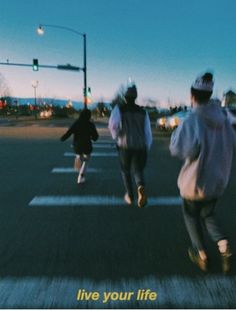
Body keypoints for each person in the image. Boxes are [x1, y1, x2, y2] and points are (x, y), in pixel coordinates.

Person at [169, 72, 236, 273]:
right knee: (208, 214)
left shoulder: (193, 120)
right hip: (217, 182)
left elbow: (179, 150)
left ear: (193, 96)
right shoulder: (225, 119)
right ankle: (223, 246)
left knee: (191, 215)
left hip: (195, 182)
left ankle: (201, 253)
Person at [108, 84, 152, 208]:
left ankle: (130, 195)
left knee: (125, 170)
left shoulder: (119, 109)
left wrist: (116, 137)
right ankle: (140, 186)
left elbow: (113, 125)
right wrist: (147, 146)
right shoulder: (143, 112)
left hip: (125, 145)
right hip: (140, 146)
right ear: (135, 97)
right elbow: (147, 131)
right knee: (138, 170)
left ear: (125, 97)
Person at [60, 109, 99, 184]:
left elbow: (69, 132)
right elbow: (95, 137)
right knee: (86, 160)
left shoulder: (77, 123)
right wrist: (92, 138)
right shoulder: (90, 124)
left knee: (79, 155)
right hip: (87, 145)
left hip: (77, 145)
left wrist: (63, 138)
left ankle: (78, 158)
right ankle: (81, 176)